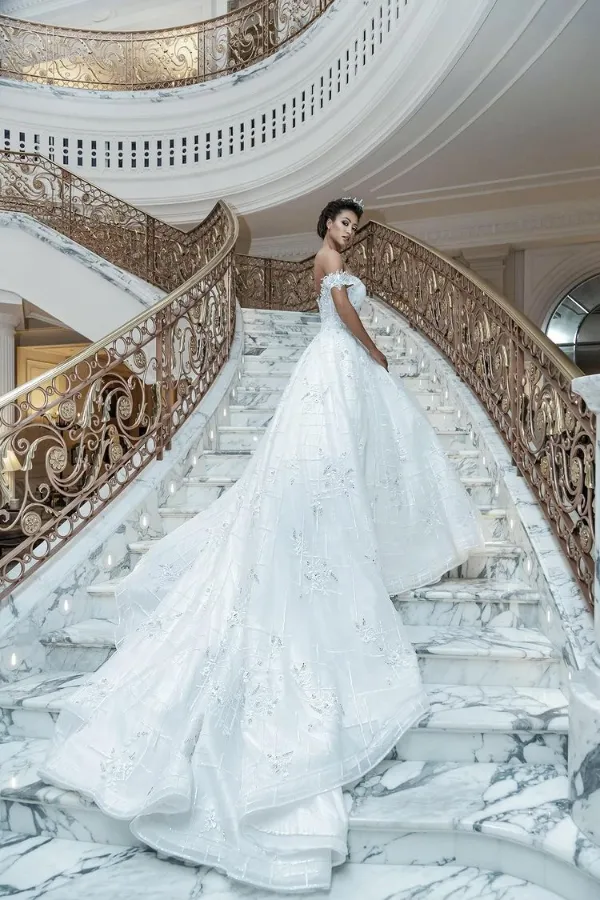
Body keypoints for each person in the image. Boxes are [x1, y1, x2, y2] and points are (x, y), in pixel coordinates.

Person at [40, 198, 484, 893]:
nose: (347, 232)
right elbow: (344, 317)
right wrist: (374, 352)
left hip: (339, 373)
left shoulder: (338, 261)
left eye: (353, 225)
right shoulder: (328, 263)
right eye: (342, 221)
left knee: (350, 463)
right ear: (326, 228)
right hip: (336, 368)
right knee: (321, 464)